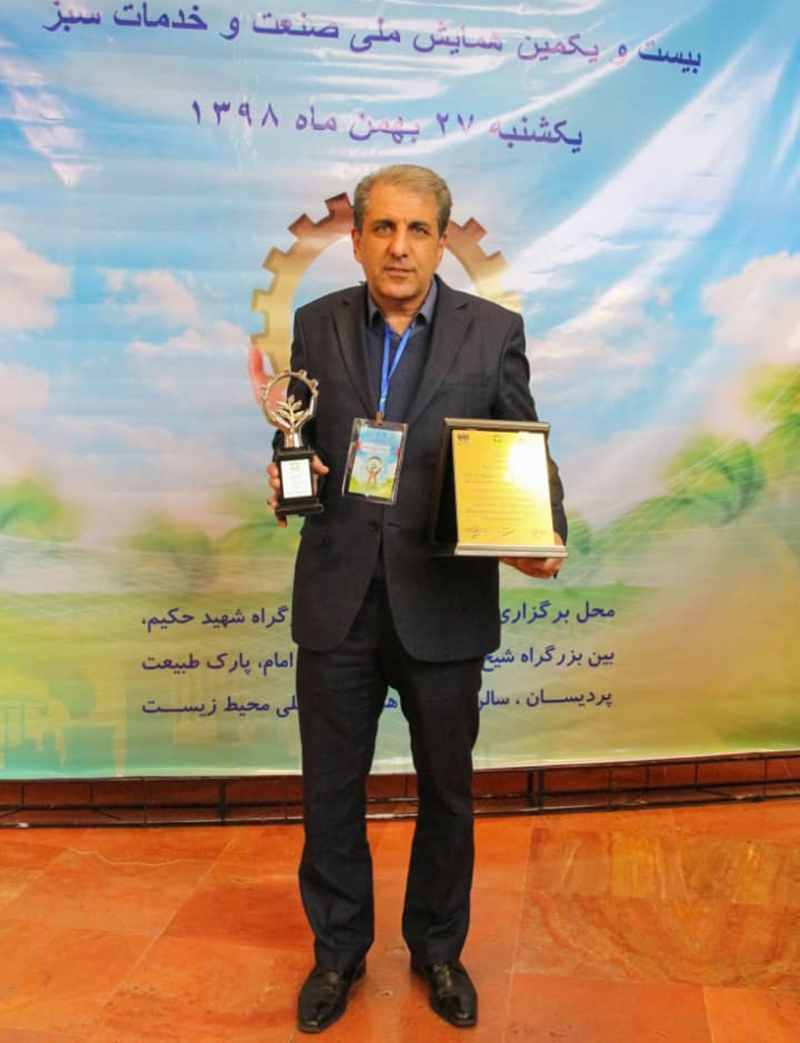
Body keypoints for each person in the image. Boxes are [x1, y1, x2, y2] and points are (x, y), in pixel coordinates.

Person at [249, 164, 566, 1033]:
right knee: (330, 791)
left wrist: (543, 531)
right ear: (355, 240)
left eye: (417, 229)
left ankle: (438, 949)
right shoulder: (317, 324)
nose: (399, 246)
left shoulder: (492, 332)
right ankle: (338, 952)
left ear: (442, 242)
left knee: (448, 791)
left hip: (442, 600)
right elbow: (298, 433)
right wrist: (288, 473)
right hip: (338, 597)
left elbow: (521, 446)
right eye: (382, 228)